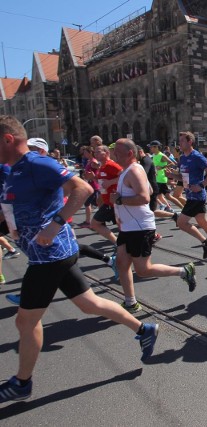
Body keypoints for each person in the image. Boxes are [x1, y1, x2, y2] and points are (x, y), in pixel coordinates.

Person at [0, 116, 158, 403]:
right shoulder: (10, 170)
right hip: (46, 253)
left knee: (25, 322)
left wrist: (55, 224)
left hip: (50, 255)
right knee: (89, 304)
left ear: (8, 139)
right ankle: (144, 329)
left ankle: (22, 383)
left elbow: (83, 189)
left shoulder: (37, 163)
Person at [110, 139, 196, 312]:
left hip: (140, 227)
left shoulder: (134, 170)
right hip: (128, 227)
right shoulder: (128, 170)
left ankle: (184, 271)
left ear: (129, 154)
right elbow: (149, 189)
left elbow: (144, 198)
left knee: (143, 270)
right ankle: (130, 302)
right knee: (122, 263)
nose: (114, 155)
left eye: (117, 152)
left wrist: (119, 199)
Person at [169, 131, 207, 260]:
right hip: (189, 195)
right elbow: (183, 177)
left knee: (181, 223)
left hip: (197, 196)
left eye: (182, 141)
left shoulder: (197, 156)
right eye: (180, 141)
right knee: (203, 222)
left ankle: (205, 242)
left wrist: (201, 185)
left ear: (190, 142)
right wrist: (173, 176)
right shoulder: (183, 157)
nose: (180, 143)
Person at [89, 145, 122, 245]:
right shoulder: (102, 166)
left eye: (98, 152)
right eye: (95, 152)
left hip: (113, 202)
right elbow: (103, 182)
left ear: (107, 153)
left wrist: (111, 182)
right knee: (123, 226)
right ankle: (120, 243)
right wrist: (93, 178)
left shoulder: (110, 165)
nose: (96, 154)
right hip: (108, 201)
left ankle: (118, 243)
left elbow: (124, 174)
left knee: (95, 224)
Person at [149, 140, 182, 211]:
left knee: (158, 195)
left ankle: (182, 208)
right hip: (157, 178)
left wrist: (162, 167)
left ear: (156, 147)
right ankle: (168, 208)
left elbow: (173, 163)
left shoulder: (162, 155)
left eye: (151, 147)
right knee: (162, 196)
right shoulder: (154, 155)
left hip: (160, 179)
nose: (150, 149)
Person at [77, 146, 100, 228]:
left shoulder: (93, 161)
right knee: (95, 203)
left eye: (86, 153)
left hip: (94, 185)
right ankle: (91, 221)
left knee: (88, 203)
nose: (84, 154)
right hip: (89, 184)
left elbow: (100, 169)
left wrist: (94, 175)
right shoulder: (89, 161)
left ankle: (88, 222)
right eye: (84, 153)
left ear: (90, 153)